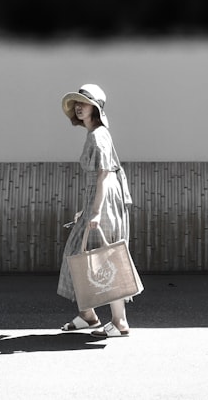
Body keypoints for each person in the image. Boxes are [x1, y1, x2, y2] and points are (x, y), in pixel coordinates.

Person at [57, 83, 135, 337]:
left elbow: (103, 173)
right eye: (77, 103)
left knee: (106, 255)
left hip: (105, 199)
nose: (79, 107)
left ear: (96, 108)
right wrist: (87, 208)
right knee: (90, 253)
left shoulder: (98, 135)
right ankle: (88, 315)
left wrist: (97, 211)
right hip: (101, 197)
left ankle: (117, 321)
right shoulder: (96, 133)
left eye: (84, 103)